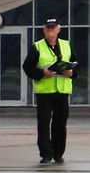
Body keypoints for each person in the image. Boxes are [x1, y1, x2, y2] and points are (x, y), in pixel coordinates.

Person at [25, 18, 75, 165]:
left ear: (59, 30)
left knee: (60, 123)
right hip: (45, 92)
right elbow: (28, 67)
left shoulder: (66, 45)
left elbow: (76, 65)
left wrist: (71, 72)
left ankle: (58, 153)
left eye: (53, 28)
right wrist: (42, 73)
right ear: (44, 30)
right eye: (48, 28)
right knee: (44, 123)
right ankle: (46, 153)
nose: (51, 30)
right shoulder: (37, 47)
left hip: (62, 90)